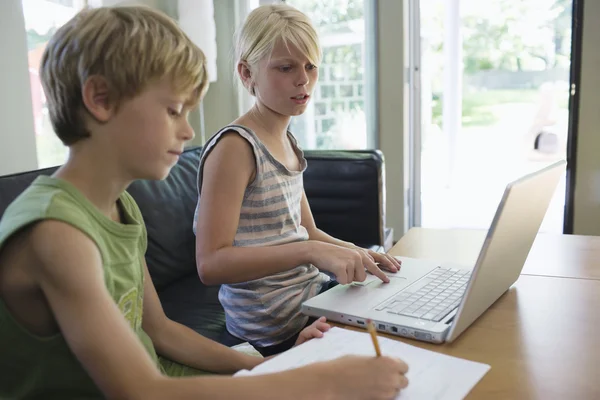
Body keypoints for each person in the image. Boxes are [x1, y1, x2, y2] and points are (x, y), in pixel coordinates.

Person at [0, 5, 409, 399]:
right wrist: (324, 383)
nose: (188, 132)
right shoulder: (57, 235)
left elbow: (160, 331)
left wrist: (274, 367)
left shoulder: (119, 206)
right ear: (101, 99)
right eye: (174, 110)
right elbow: (143, 391)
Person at [193, 3, 402, 357]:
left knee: (398, 311)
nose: (303, 80)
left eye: (310, 66)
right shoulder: (236, 148)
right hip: (272, 323)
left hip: (307, 298)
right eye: (285, 68)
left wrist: (359, 252)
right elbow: (210, 264)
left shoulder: (287, 141)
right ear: (247, 74)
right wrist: (309, 251)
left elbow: (309, 232)